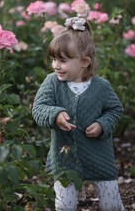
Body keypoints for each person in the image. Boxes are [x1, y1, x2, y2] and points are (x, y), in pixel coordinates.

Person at [32, 17, 125, 211]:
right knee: (65, 206)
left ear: (84, 62)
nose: (56, 65)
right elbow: (38, 108)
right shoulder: (52, 82)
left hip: (99, 157)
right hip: (64, 160)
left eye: (63, 61)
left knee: (112, 204)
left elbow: (115, 109)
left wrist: (102, 125)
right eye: (54, 59)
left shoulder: (101, 87)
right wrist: (55, 115)